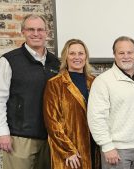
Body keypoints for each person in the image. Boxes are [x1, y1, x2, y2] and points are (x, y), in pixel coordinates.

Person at [0, 14, 60, 169]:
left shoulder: (56, 63)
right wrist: (2, 132)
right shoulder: (9, 61)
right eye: (30, 29)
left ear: (47, 33)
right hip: (19, 139)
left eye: (40, 29)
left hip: (50, 138)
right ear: (23, 32)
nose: (36, 33)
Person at [87, 36, 134, 169]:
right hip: (116, 150)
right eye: (121, 53)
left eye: (130, 52)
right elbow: (96, 117)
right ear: (114, 55)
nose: (126, 56)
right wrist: (107, 146)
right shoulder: (103, 81)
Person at [43, 39, 101, 169]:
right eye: (72, 53)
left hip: (93, 147)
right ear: (65, 57)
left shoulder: (95, 82)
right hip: (70, 152)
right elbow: (52, 122)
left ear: (86, 56)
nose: (77, 57)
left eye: (81, 53)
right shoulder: (55, 84)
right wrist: (68, 151)